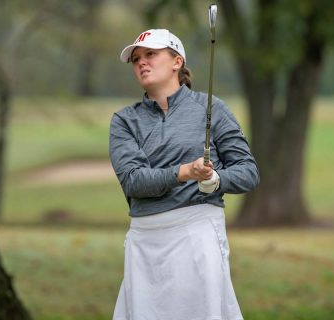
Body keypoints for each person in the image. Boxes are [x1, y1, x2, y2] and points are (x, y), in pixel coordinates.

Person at [109, 28, 259, 320]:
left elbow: (248, 172)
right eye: (136, 59)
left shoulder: (212, 108)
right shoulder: (125, 120)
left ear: (176, 62)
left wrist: (216, 181)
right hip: (146, 240)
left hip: (197, 233)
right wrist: (184, 172)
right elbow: (134, 181)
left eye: (151, 54)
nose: (141, 62)